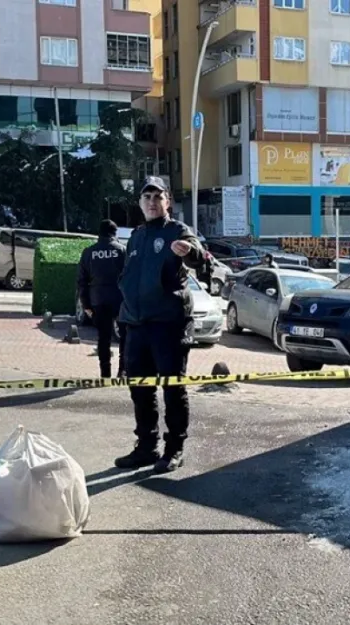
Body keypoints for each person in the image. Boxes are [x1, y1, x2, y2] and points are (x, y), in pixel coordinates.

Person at [114, 176, 205, 474]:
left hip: (168, 325)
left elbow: (201, 258)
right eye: (147, 197)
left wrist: (190, 253)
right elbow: (129, 279)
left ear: (168, 202)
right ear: (140, 203)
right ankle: (145, 447)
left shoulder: (177, 231)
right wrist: (124, 320)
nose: (152, 202)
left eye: (158, 196)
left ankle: (174, 448)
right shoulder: (137, 235)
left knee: (172, 388)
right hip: (136, 326)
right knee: (141, 389)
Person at [77, 219, 128, 378]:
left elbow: (81, 281)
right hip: (120, 300)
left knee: (103, 338)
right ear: (115, 233)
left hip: (98, 300)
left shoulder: (88, 252)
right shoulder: (122, 251)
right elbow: (131, 277)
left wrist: (86, 304)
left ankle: (105, 373)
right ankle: (123, 371)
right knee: (124, 338)